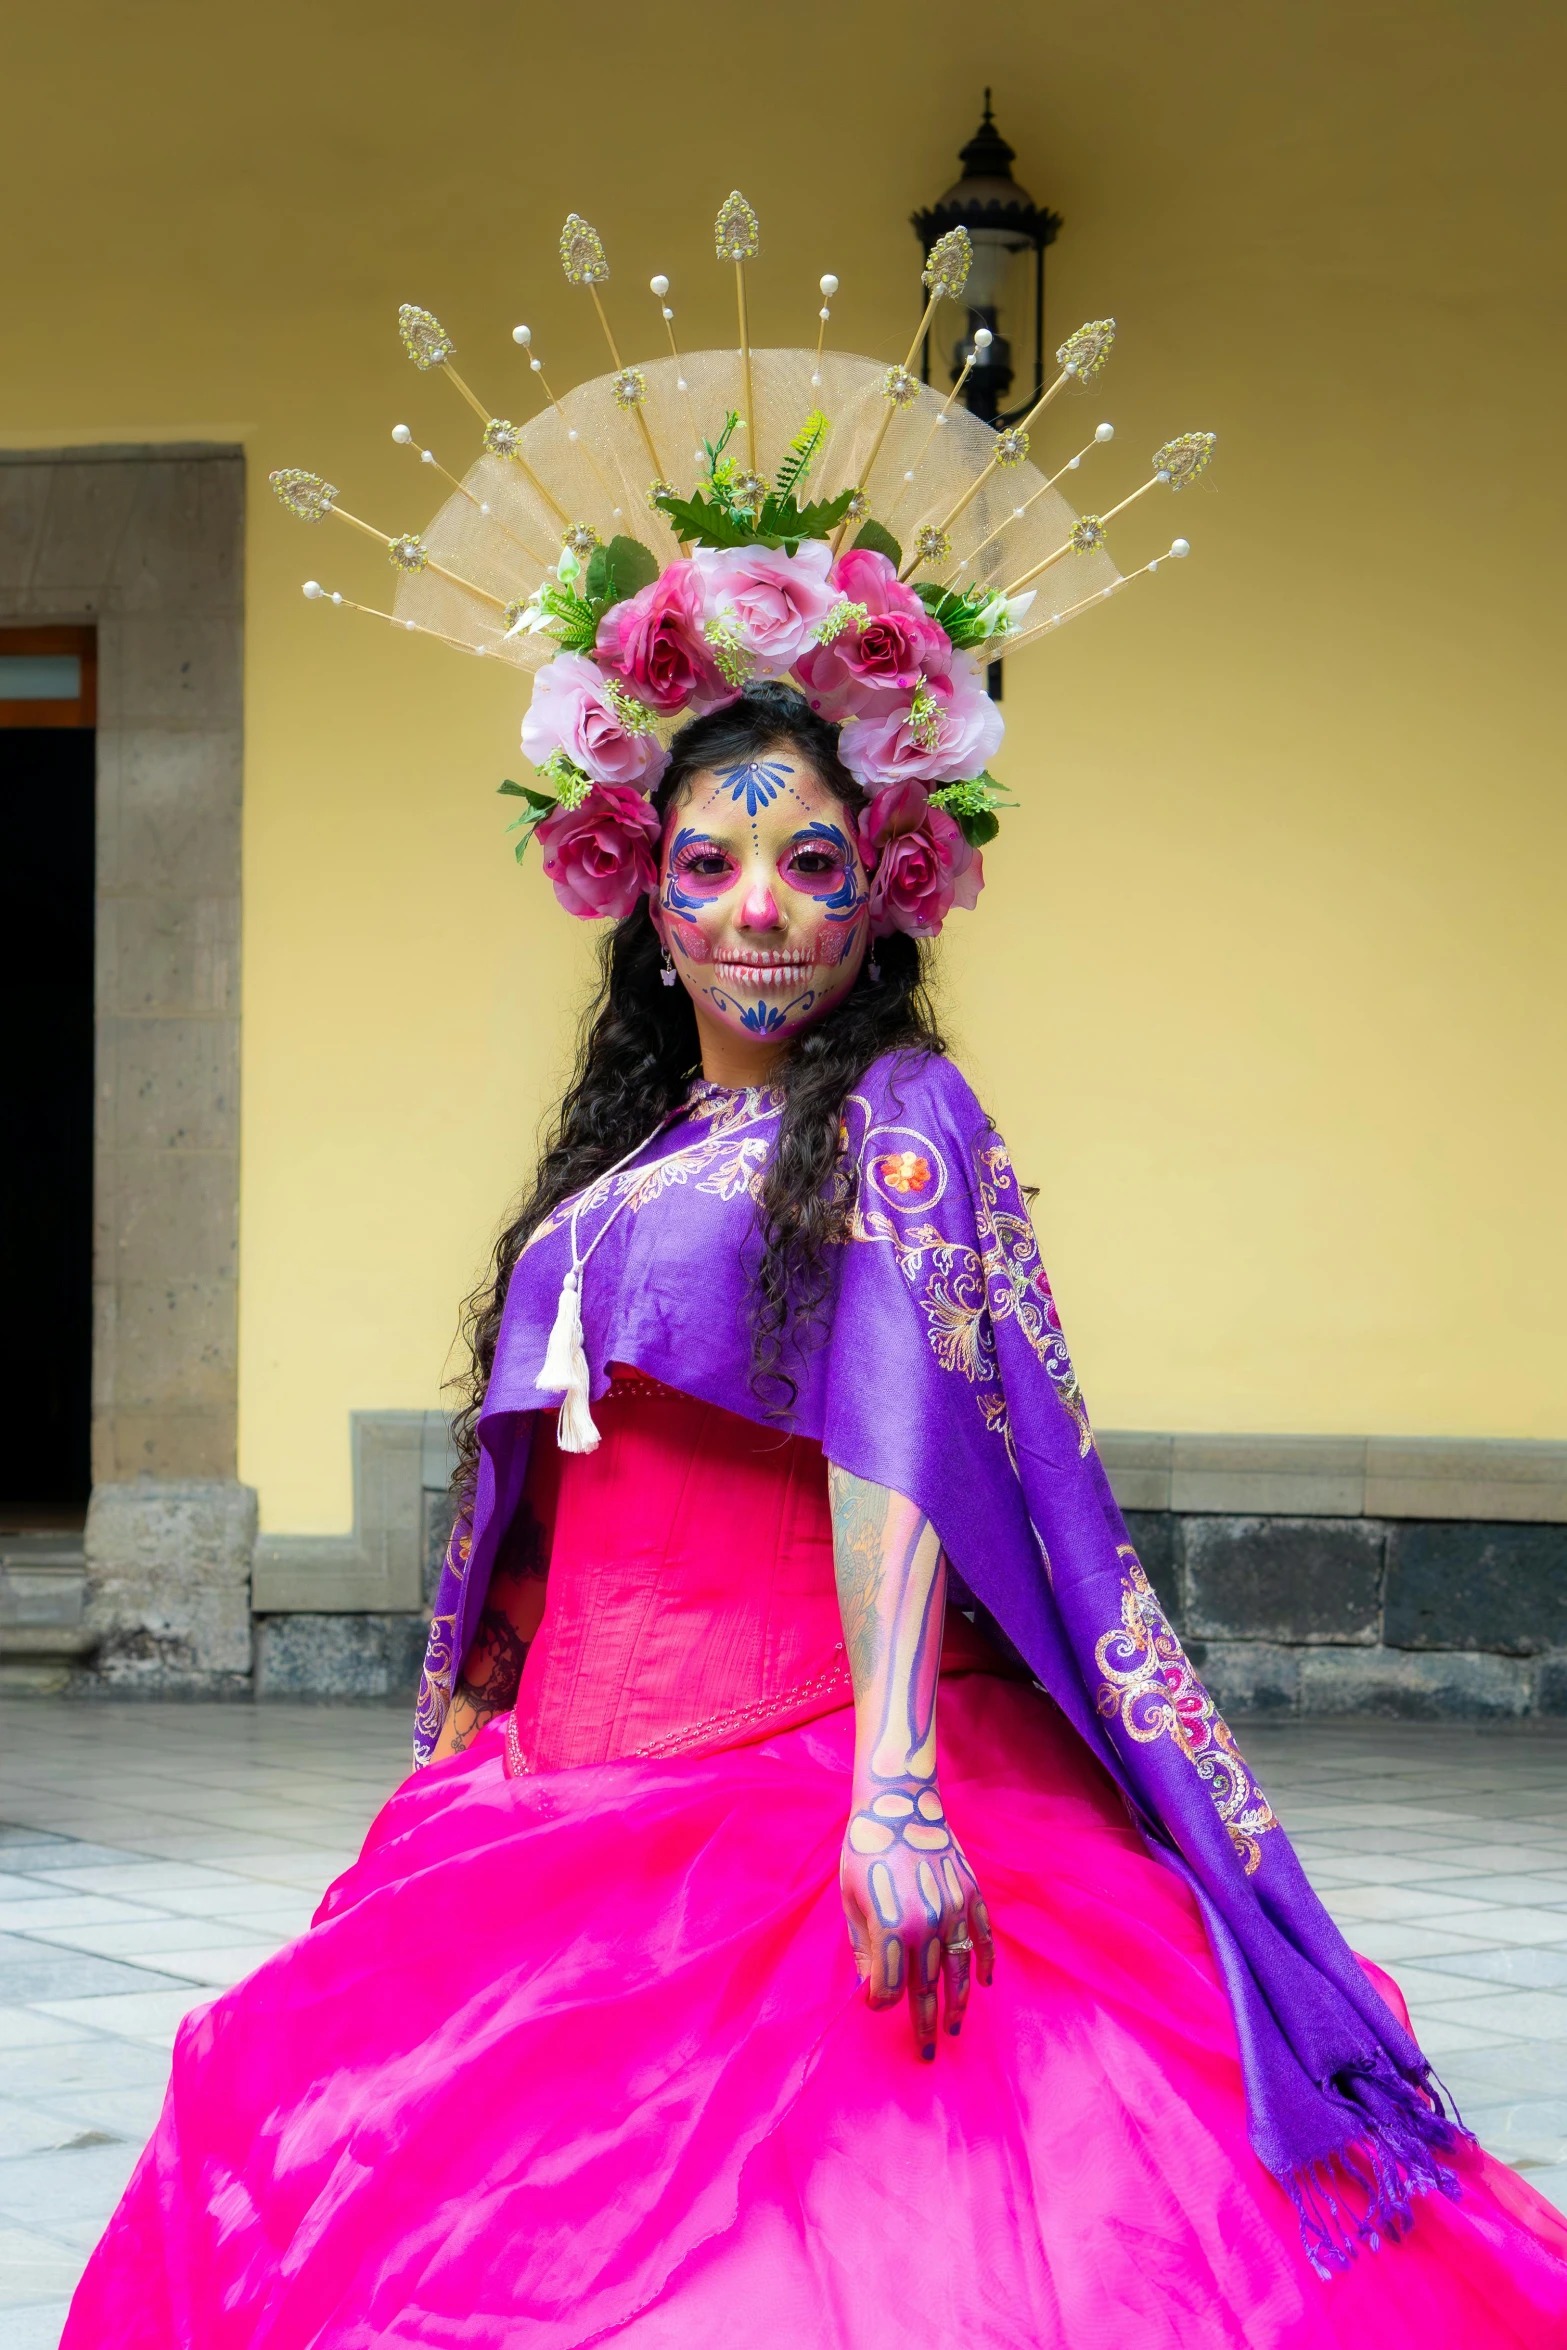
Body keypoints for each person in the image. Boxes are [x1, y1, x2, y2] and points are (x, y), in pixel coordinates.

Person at [67, 208, 1567, 2342]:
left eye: (810, 864)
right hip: (562, 1788)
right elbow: (550, 1480)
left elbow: (898, 1430)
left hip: (792, 1775)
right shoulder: (634, 1151)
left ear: (885, 900)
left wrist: (889, 1789)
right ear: (644, 904)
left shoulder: (896, 1123)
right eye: (709, 863)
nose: (759, 907)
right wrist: (471, 1724)